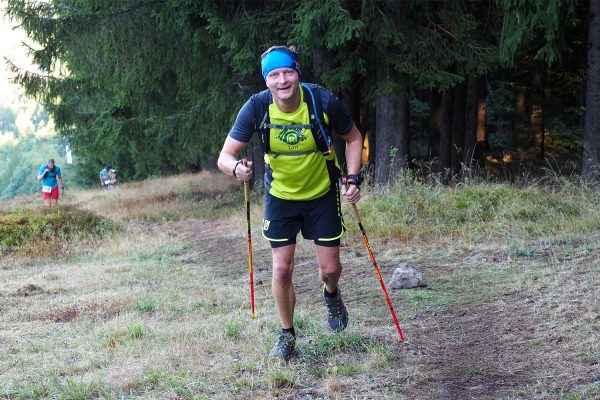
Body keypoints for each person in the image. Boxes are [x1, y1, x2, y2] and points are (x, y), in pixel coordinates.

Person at [217, 45, 363, 361]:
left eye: (288, 72)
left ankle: (332, 294)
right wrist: (237, 169)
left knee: (330, 269)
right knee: (282, 268)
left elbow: (353, 138)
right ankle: (287, 335)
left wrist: (352, 179)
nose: (282, 80)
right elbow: (225, 156)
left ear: (297, 73)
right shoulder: (256, 107)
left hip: (322, 195)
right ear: (266, 81)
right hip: (280, 197)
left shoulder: (321, 100)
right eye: (274, 75)